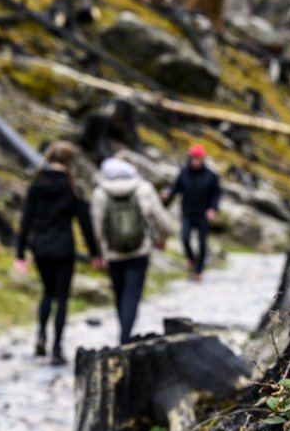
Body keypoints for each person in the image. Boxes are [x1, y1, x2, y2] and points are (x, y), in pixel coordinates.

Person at [15, 141, 103, 365]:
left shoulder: (37, 184)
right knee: (61, 297)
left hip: (41, 247)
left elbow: (26, 221)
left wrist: (20, 253)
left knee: (46, 292)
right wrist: (95, 252)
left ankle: (41, 336)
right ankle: (56, 348)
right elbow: (85, 224)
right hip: (64, 248)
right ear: (69, 162)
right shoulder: (73, 188)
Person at [91, 153, 171, 344]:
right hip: (139, 251)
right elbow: (162, 221)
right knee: (132, 295)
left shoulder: (100, 192)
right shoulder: (144, 188)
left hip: (113, 252)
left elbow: (97, 226)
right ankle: (125, 336)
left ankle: (123, 331)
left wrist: (101, 252)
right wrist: (161, 239)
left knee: (119, 294)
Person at [161, 144, 221, 282]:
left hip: (203, 214)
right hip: (187, 212)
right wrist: (168, 191)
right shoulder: (184, 172)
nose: (195, 161)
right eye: (193, 158)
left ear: (202, 159)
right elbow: (176, 187)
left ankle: (198, 271)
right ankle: (191, 259)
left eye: (198, 159)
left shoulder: (211, 176)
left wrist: (213, 208)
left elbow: (216, 194)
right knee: (185, 238)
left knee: (201, 242)